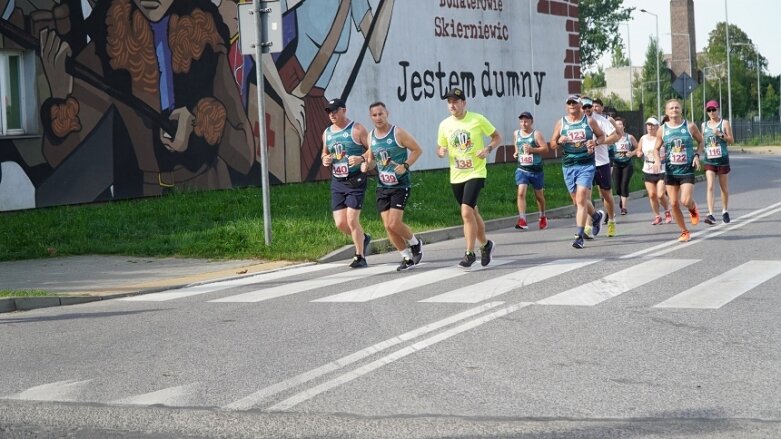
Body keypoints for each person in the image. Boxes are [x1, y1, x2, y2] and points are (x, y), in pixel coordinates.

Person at [436, 87, 502, 268]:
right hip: (456, 174)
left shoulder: (477, 119)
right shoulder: (444, 125)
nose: (452, 105)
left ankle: (469, 253)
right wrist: (441, 151)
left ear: (464, 103)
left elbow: (497, 137)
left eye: (456, 101)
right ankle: (486, 245)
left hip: (476, 172)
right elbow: (440, 147)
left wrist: (488, 149)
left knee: (466, 211)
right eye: (449, 102)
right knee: (472, 212)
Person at [364, 102, 424, 271]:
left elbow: (417, 150)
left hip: (400, 185)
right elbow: (372, 159)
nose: (378, 118)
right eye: (374, 115)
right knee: (387, 226)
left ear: (387, 113)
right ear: (371, 117)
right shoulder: (371, 136)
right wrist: (366, 166)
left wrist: (405, 165)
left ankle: (415, 243)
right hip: (382, 186)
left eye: (380, 114)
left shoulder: (397, 133)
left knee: (394, 223)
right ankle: (406, 257)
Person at [550, 95, 608, 249]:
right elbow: (552, 144)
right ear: (566, 106)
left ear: (580, 105)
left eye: (574, 103)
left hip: (586, 165)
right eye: (569, 103)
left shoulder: (589, 121)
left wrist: (595, 142)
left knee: (582, 198)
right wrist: (558, 141)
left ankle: (579, 237)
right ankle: (596, 217)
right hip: (568, 166)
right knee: (577, 201)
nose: (571, 105)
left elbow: (602, 136)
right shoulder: (561, 123)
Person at [321, 98, 371, 268]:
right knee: (340, 224)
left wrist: (361, 158)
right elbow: (324, 153)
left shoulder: (356, 129)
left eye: (335, 110)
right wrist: (325, 159)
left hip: (355, 180)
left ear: (344, 110)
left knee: (351, 220)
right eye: (329, 111)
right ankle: (363, 238)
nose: (332, 114)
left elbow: (374, 148)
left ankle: (360, 256)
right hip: (338, 181)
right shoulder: (327, 133)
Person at [653, 99, 704, 242]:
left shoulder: (690, 126)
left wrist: (697, 155)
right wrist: (657, 160)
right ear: (666, 112)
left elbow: (701, 141)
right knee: (674, 203)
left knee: (685, 200)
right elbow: (656, 149)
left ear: (681, 110)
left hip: (687, 169)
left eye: (676, 108)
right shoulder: (662, 129)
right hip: (670, 171)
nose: (674, 110)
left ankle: (693, 208)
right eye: (671, 108)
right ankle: (684, 231)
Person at [584, 97, 619, 237]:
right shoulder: (576, 122)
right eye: (584, 107)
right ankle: (588, 225)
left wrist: (597, 143)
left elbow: (615, 137)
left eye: (589, 107)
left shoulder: (600, 120)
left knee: (606, 195)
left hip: (601, 162)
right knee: (586, 196)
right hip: (585, 163)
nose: (587, 109)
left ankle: (611, 220)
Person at [512, 111, 549, 230]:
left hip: (536, 170)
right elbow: (517, 144)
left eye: (526, 121)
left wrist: (532, 150)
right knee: (521, 192)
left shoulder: (536, 134)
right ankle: (522, 219)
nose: (524, 124)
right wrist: (516, 152)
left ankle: (542, 216)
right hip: (522, 168)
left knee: (539, 196)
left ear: (531, 122)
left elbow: (545, 149)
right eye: (522, 121)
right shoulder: (516, 133)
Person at [701, 100, 734, 224]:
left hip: (722, 159)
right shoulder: (704, 125)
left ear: (718, 110)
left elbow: (731, 140)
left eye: (713, 110)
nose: (711, 112)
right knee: (709, 186)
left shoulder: (724, 123)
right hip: (709, 159)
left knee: (723, 187)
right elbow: (703, 141)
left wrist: (720, 134)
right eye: (709, 110)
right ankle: (710, 213)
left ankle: (725, 210)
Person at [636, 117, 672, 225]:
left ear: (657, 127)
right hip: (648, 168)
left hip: (661, 169)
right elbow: (639, 149)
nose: (650, 127)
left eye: (652, 125)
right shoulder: (643, 138)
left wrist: (663, 157)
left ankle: (667, 212)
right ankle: (657, 216)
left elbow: (669, 151)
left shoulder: (662, 138)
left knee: (660, 194)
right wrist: (639, 153)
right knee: (652, 194)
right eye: (648, 125)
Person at [610, 116, 639, 218]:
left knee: (624, 185)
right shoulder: (612, 137)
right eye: (616, 124)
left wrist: (632, 153)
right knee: (617, 188)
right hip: (616, 164)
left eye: (620, 124)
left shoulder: (629, 137)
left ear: (624, 126)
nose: (618, 126)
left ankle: (624, 207)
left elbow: (639, 148)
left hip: (627, 164)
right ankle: (622, 198)